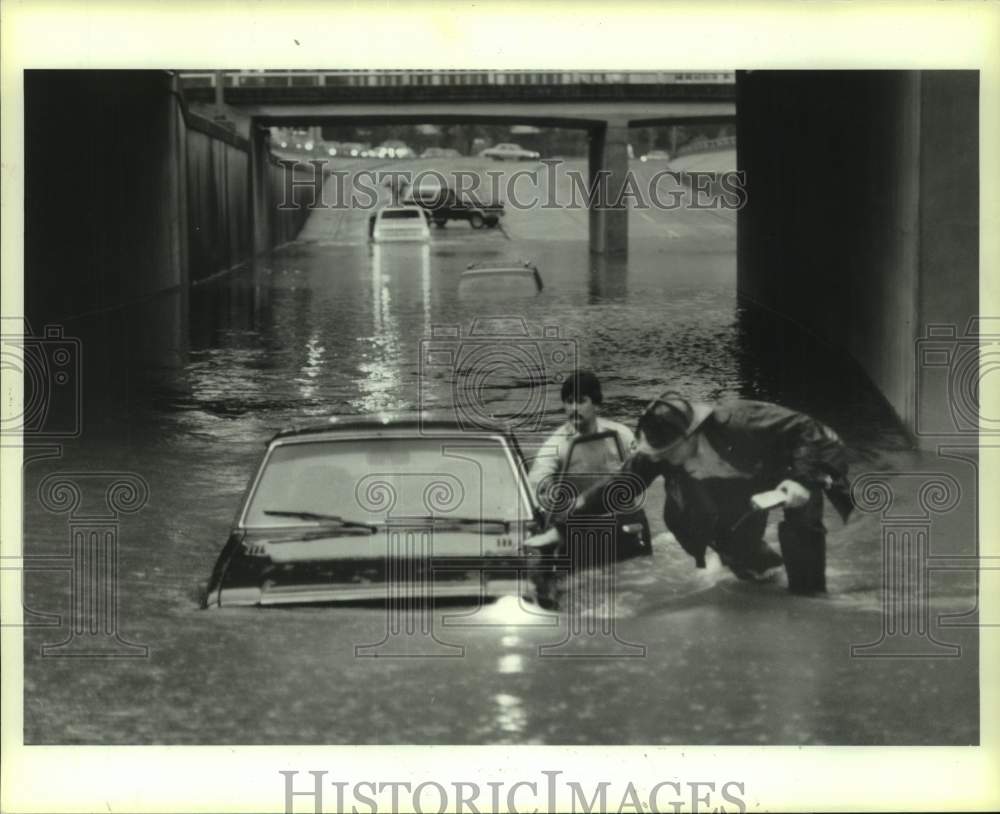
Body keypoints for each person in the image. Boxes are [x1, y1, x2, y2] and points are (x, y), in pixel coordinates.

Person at [565, 392, 853, 595]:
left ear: (691, 435)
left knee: (805, 570)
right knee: (746, 565)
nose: (664, 459)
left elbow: (812, 431)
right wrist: (563, 526)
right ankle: (769, 576)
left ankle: (809, 598)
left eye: (669, 452)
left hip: (791, 470)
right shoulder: (659, 454)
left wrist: (802, 480)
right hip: (737, 486)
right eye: (658, 454)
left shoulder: (742, 420)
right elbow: (621, 485)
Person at [527, 371, 636, 505]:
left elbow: (640, 467)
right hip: (576, 515)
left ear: (596, 404)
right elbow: (538, 482)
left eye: (580, 401)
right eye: (569, 402)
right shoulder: (555, 445)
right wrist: (547, 489)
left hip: (616, 508)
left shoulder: (621, 434)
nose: (574, 408)